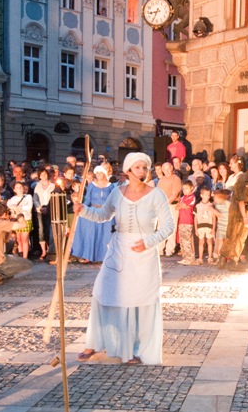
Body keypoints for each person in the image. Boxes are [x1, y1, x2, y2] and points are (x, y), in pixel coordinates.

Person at [73, 152, 175, 365]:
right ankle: (94, 342)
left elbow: (168, 226)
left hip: (144, 254)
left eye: (144, 168)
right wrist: (83, 210)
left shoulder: (157, 195)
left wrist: (149, 241)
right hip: (118, 249)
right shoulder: (117, 193)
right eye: (137, 168)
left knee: (138, 300)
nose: (142, 171)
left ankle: (135, 349)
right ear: (128, 171)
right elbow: (102, 216)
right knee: (102, 291)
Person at [70, 167, 115, 264]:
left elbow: (113, 200)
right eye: (97, 173)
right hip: (94, 211)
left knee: (105, 235)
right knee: (92, 234)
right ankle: (89, 255)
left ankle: (105, 256)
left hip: (106, 212)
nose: (98, 175)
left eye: (100, 173)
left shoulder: (111, 186)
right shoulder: (92, 185)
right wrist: (82, 208)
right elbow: (88, 199)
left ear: (104, 174)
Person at [7, 181, 34, 260]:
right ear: (14, 190)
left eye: (21, 187)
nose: (19, 189)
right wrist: (17, 209)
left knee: (25, 238)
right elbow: (10, 208)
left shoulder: (28, 197)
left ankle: (25, 257)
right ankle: (20, 255)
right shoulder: (13, 199)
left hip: (26, 219)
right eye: (17, 188)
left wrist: (17, 208)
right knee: (18, 239)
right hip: (17, 220)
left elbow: (28, 208)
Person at [195, 187, 219, 264]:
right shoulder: (198, 206)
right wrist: (196, 229)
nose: (207, 196)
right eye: (205, 195)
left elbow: (214, 218)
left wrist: (213, 228)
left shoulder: (211, 205)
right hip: (200, 226)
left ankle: (210, 257)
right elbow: (195, 218)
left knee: (209, 241)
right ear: (201, 195)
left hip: (209, 226)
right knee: (201, 242)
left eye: (208, 195)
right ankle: (200, 258)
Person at [177, 179, 197, 264]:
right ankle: (185, 257)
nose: (185, 190)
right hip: (181, 221)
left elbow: (186, 205)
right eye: (183, 189)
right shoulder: (182, 197)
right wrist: (182, 205)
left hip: (188, 221)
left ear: (191, 188)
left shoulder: (192, 197)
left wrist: (182, 205)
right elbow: (177, 207)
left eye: (187, 188)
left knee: (187, 240)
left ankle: (189, 258)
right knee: (182, 240)